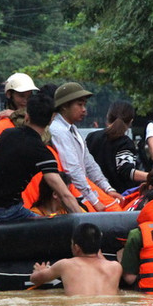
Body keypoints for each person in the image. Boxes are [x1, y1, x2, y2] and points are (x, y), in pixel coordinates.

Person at [0, 93, 85, 223]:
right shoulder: (42, 152)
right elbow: (64, 194)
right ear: (51, 119)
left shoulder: (6, 134)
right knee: (51, 225)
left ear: (27, 115)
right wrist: (85, 222)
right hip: (6, 213)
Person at [49, 82, 123, 212]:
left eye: (84, 105)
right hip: (70, 191)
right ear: (65, 106)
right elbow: (72, 169)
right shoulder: (58, 130)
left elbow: (89, 164)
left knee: (115, 209)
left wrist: (108, 189)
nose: (84, 109)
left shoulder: (73, 130)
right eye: (79, 104)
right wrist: (94, 201)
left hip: (81, 188)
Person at [29, 223, 123, 295]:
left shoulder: (65, 265)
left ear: (76, 247)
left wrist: (40, 271)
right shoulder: (116, 267)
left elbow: (35, 279)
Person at [85, 100, 148, 194]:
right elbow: (126, 170)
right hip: (119, 196)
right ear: (131, 121)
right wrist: (152, 176)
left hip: (95, 193)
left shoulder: (91, 137)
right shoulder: (125, 142)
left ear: (108, 117)